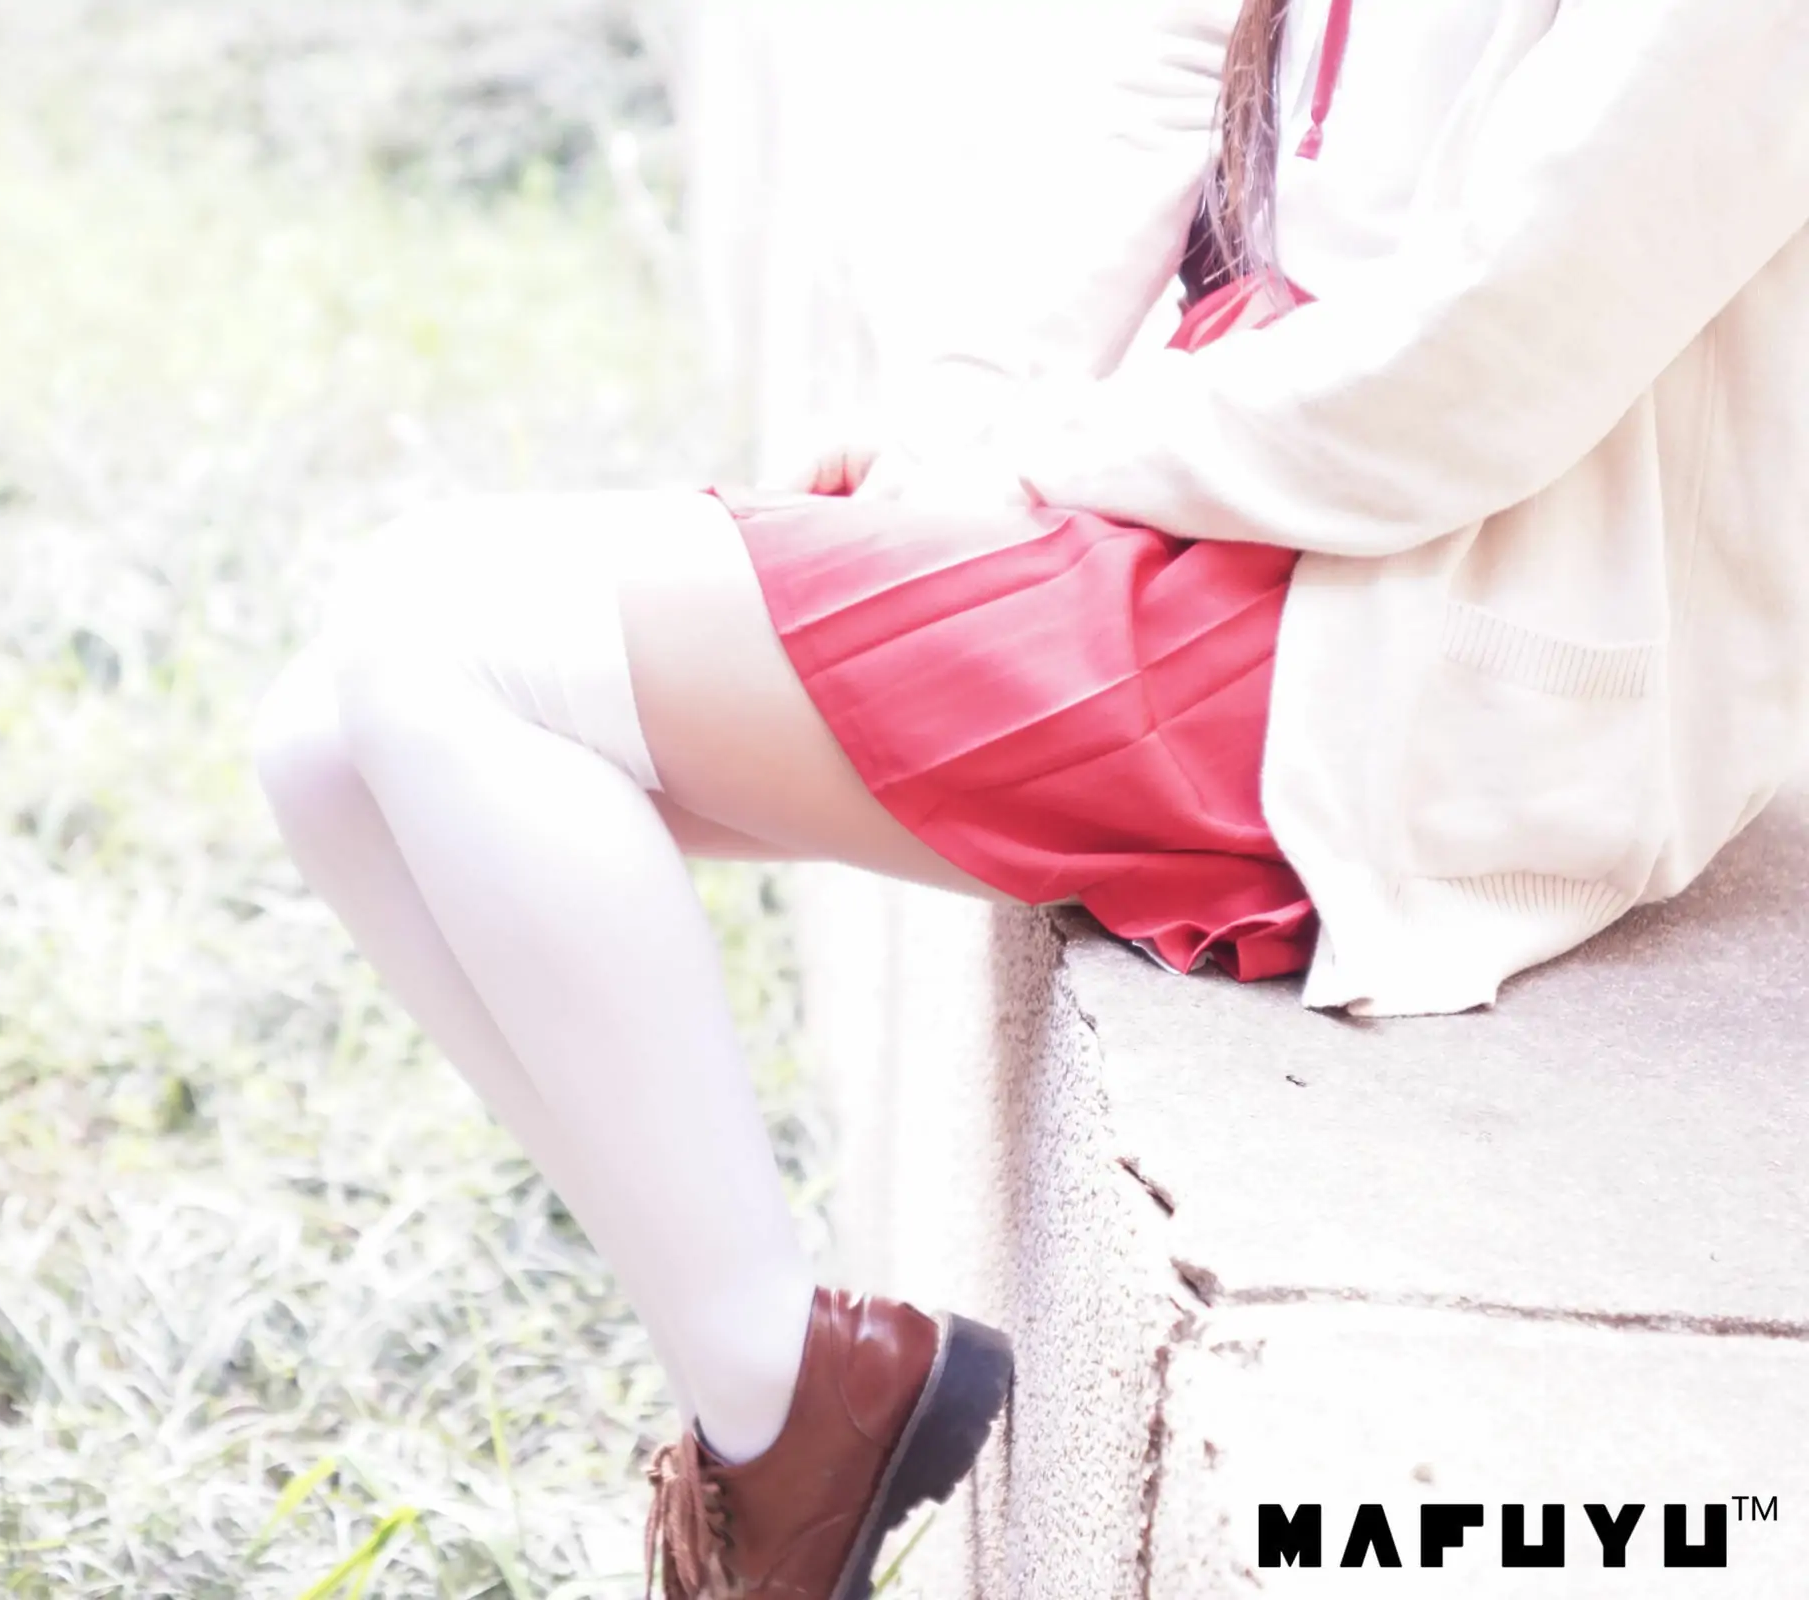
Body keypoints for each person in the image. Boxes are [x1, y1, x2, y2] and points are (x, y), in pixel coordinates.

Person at [250, 0, 1809, 1593]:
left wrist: (1044, 459)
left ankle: (786, 1433)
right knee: (328, 743)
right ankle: (769, 1396)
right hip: (1232, 466)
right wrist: (967, 420)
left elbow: (1482, 366)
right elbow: (1177, 57)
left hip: (1424, 624)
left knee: (442, 646)